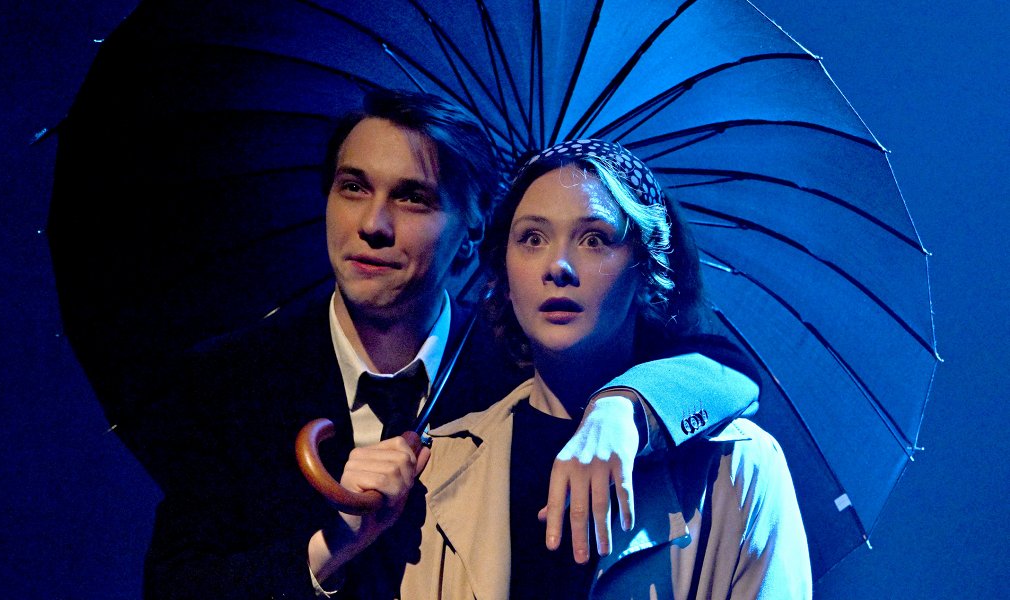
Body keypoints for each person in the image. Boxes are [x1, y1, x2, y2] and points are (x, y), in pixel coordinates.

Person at [131, 92, 762, 598]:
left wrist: (624, 404)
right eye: (353, 187)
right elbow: (175, 587)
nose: (373, 225)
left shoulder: (519, 356)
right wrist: (331, 548)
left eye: (413, 198)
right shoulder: (231, 380)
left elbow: (723, 366)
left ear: (474, 230)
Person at [327, 139, 812, 598]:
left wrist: (622, 407)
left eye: (594, 239)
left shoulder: (736, 467)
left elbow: (729, 370)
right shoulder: (438, 469)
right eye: (532, 238)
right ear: (504, 274)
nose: (557, 265)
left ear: (647, 272)